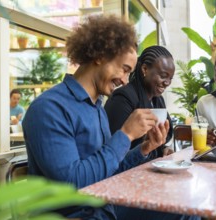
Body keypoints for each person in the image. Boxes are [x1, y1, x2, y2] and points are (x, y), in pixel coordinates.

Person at [23, 15, 199, 220]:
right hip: (79, 214)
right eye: (124, 69)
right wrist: (125, 135)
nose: (125, 80)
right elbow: (73, 184)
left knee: (187, 208)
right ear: (101, 55)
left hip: (106, 206)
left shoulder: (96, 107)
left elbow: (109, 171)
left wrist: (144, 148)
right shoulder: (49, 109)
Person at [104, 45, 175, 159]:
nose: (167, 83)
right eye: (163, 76)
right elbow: (114, 150)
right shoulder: (122, 98)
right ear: (145, 69)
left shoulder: (158, 100)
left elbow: (159, 140)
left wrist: (163, 150)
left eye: (170, 78)